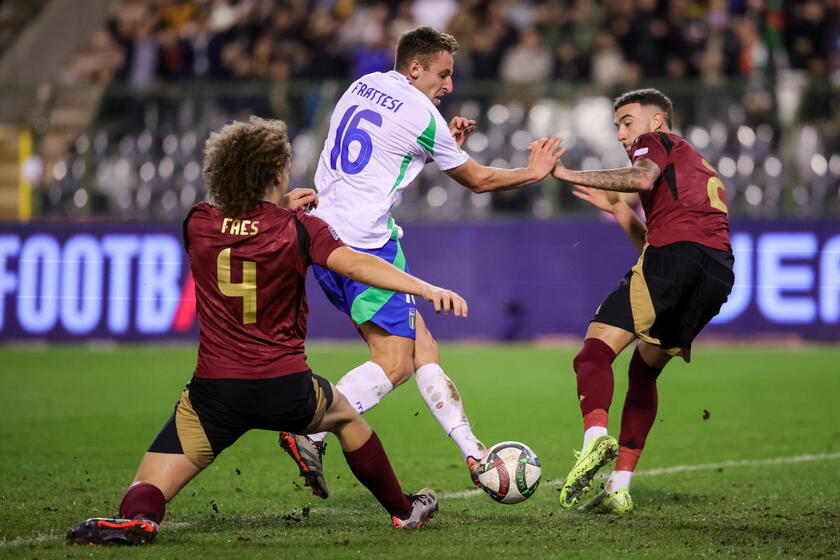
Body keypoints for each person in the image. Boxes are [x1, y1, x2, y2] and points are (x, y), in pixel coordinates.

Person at [66, 116, 470, 546]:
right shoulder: (299, 229)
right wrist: (424, 287)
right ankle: (404, 510)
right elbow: (355, 264)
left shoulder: (198, 224)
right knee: (349, 421)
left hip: (215, 394)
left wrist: (275, 208)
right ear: (277, 173)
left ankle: (140, 520)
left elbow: (239, 226)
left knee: (148, 485)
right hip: (286, 387)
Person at [278, 26, 562, 497]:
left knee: (421, 347)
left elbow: (375, 155)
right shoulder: (423, 114)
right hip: (367, 246)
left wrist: (433, 146)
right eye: (443, 74)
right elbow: (478, 180)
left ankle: (473, 451)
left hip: (322, 235)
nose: (449, 86)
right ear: (415, 67)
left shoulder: (361, 85)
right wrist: (531, 173)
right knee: (394, 365)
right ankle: (308, 432)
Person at [551, 89, 734, 514]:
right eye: (617, 125)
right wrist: (619, 212)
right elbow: (659, 245)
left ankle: (595, 439)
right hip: (716, 274)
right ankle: (619, 487)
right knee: (643, 372)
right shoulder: (695, 163)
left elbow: (640, 180)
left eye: (627, 122)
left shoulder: (657, 143)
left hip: (677, 258)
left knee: (592, 355)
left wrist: (565, 173)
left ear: (656, 120)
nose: (621, 133)